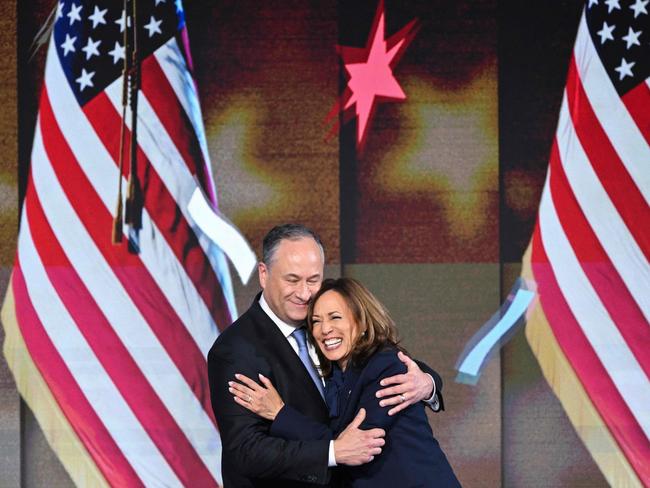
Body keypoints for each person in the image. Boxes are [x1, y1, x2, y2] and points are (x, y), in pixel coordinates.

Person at [208, 224, 443, 487]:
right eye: (292, 280)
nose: (305, 293)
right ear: (264, 274)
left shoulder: (324, 327)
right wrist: (333, 452)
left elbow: (382, 362)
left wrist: (428, 384)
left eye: (313, 279)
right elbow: (246, 451)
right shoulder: (235, 349)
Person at [230, 277, 461, 487]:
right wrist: (431, 381)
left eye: (335, 317)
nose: (325, 329)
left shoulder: (387, 366)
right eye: (316, 321)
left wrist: (280, 414)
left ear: (360, 322)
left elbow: (355, 445)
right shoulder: (333, 376)